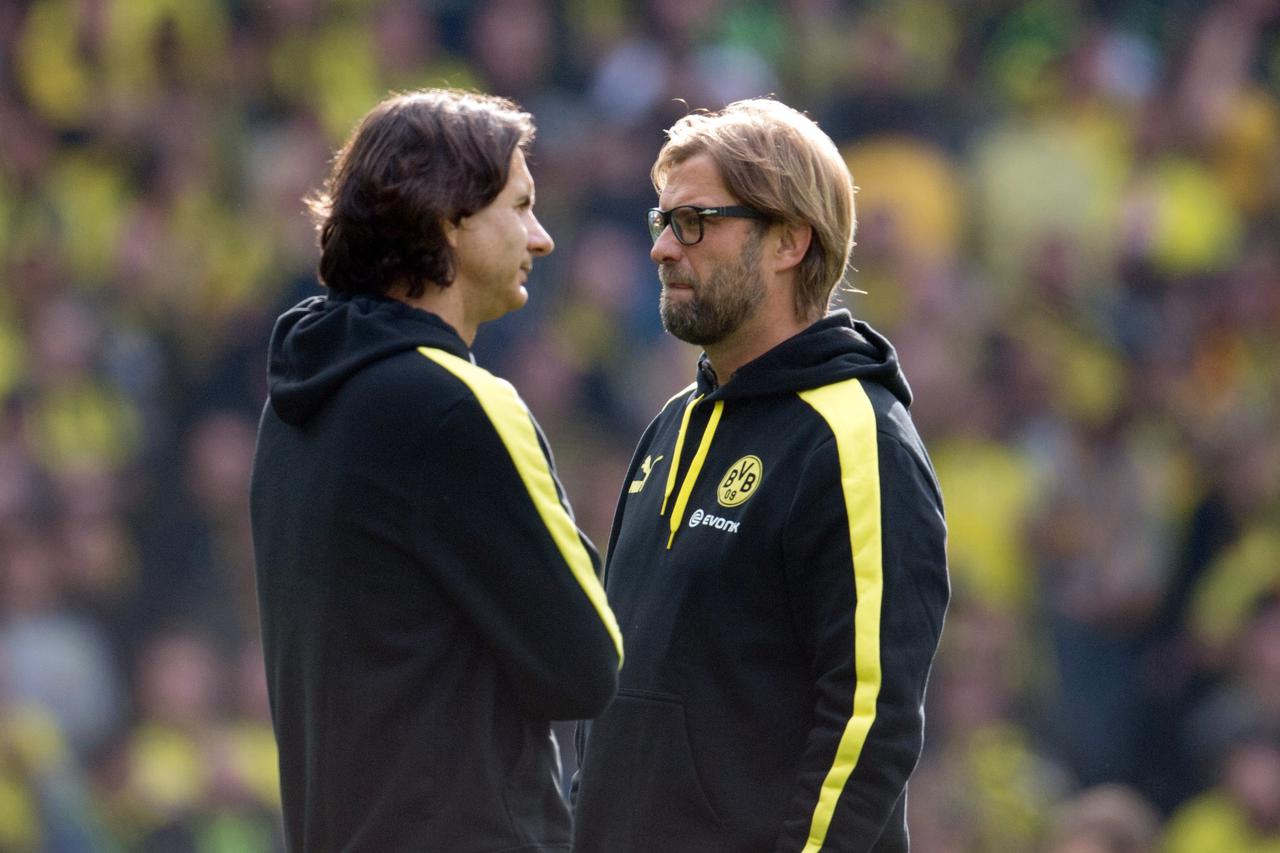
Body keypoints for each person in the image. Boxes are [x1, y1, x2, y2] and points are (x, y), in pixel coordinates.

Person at [249, 89, 623, 852]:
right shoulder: (458, 405)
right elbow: (588, 664)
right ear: (449, 220)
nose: (542, 238)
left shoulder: (292, 406)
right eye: (520, 207)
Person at [572, 98, 949, 852]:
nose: (663, 249)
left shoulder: (857, 438)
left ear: (789, 240)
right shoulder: (669, 427)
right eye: (662, 222)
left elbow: (868, 722)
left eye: (696, 222)